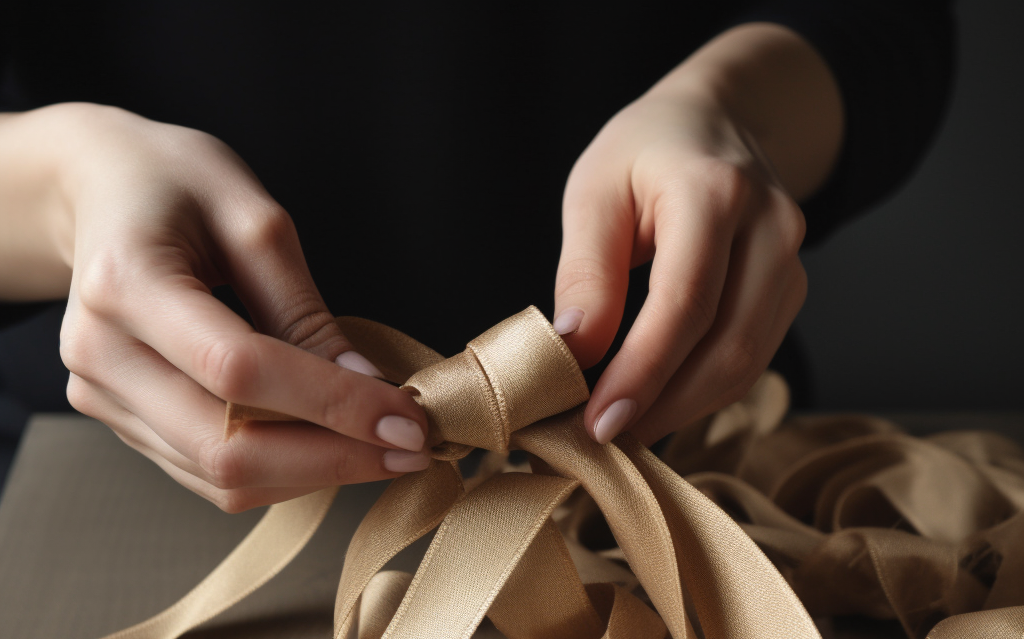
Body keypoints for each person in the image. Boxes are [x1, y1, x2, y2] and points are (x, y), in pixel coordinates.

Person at [0, 3, 953, 510]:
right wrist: (61, 191)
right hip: (109, 477)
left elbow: (888, 22)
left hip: (692, 480)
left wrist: (734, 107)